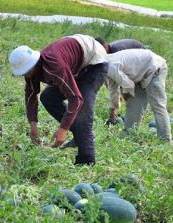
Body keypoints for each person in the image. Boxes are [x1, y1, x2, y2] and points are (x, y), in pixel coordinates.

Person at [8, 34, 108, 165]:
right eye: (23, 73)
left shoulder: (54, 67)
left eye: (26, 72)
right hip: (75, 65)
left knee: (82, 113)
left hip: (95, 63)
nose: (25, 75)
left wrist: (63, 129)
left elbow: (75, 99)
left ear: (33, 63)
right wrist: (32, 123)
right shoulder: (31, 70)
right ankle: (79, 136)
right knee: (48, 97)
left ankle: (86, 161)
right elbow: (31, 94)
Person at [106, 48, 172, 142]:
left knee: (158, 106)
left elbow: (128, 85)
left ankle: (166, 141)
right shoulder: (105, 67)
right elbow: (113, 89)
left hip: (154, 67)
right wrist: (113, 108)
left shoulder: (110, 66)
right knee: (133, 104)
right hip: (139, 73)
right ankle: (129, 134)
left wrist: (125, 94)